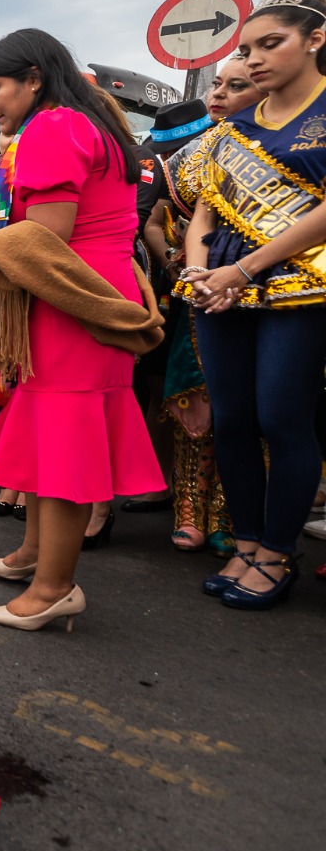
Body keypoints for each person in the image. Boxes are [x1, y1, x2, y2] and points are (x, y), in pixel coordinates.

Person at [0, 27, 164, 630]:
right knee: (51, 428)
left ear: (34, 79)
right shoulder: (94, 121)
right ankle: (32, 556)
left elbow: (45, 237)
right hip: (91, 289)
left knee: (66, 441)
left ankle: (54, 588)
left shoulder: (52, 127)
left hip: (73, 297)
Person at [179, 0, 326, 608]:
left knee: (282, 419)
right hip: (222, 292)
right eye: (246, 48)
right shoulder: (233, 128)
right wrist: (197, 270)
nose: (256, 58)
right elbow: (203, 213)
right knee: (233, 419)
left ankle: (278, 552)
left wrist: (244, 268)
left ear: (315, 39)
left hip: (299, 291)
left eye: (272, 44)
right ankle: (246, 541)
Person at [142, 78, 256, 554]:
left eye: (237, 84)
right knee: (195, 400)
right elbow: (161, 220)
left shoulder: (290, 145)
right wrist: (184, 265)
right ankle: (189, 507)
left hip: (264, 288)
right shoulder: (192, 162)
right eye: (218, 83)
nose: (220, 92)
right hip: (199, 289)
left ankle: (232, 516)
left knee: (251, 411)